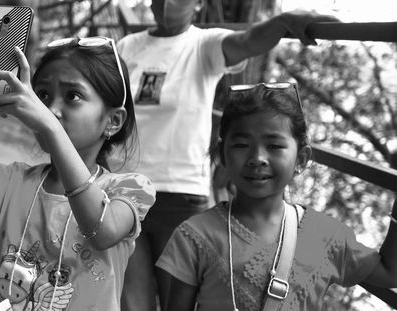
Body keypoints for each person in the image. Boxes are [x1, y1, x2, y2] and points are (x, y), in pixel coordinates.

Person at [116, 0, 339, 309]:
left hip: (180, 194)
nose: (167, 3)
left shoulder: (203, 45)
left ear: (197, 4)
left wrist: (285, 21)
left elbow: (249, 41)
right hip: (126, 192)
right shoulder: (128, 46)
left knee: (177, 302)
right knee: (132, 302)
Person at [0, 35, 156, 311]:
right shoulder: (7, 182)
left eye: (72, 96)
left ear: (112, 121)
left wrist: (51, 126)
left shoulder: (128, 189)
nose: (50, 109)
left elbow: (101, 229)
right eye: (42, 95)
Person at [155, 82, 397, 310]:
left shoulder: (326, 235)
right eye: (241, 145)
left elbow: (389, 273)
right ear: (222, 154)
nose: (257, 158)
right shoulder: (194, 236)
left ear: (301, 159)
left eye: (274, 146)